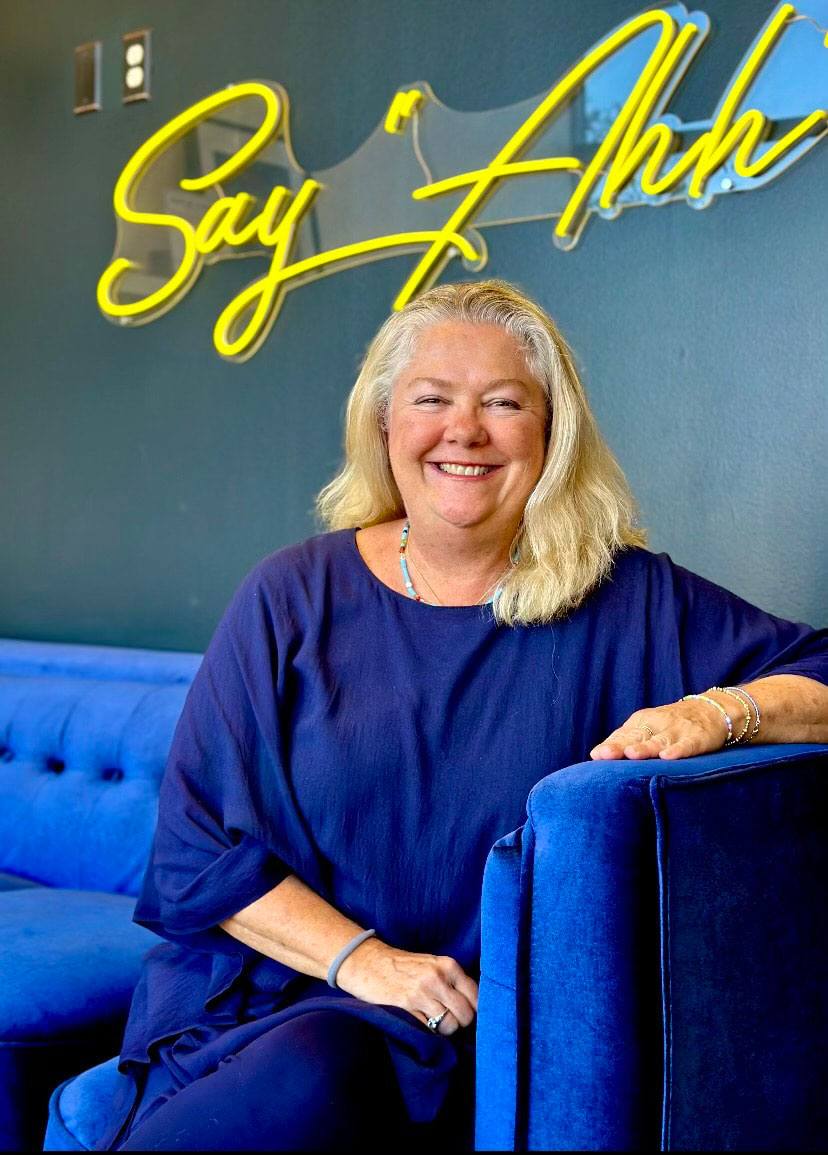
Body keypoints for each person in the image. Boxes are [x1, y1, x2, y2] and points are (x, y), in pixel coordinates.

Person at [101, 280, 828, 1151]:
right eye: (431, 399)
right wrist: (366, 963)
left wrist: (721, 713)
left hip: (470, 1026)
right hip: (275, 992)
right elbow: (193, 853)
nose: (465, 430)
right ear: (384, 426)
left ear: (551, 433)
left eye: (505, 403)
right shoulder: (291, 595)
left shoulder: (628, 598)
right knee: (316, 1065)